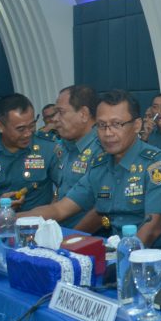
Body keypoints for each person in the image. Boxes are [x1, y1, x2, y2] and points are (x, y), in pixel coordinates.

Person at [20, 90, 161, 250]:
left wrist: (122, 259)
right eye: (101, 125)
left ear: (136, 125)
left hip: (159, 255)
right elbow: (60, 209)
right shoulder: (100, 165)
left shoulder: (156, 164)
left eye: (116, 124)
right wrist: (12, 218)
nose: (108, 133)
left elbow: (153, 229)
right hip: (116, 249)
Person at [0, 93, 59, 211]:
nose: (28, 133)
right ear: (0, 126)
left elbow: (65, 186)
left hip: (40, 218)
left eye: (32, 125)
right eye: (21, 129)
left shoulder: (48, 146)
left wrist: (52, 210)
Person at [51, 85, 102, 227]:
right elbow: (58, 195)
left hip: (86, 235)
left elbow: (100, 209)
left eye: (61, 112)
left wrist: (72, 236)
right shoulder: (65, 146)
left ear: (84, 114)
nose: (55, 119)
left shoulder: (102, 149)